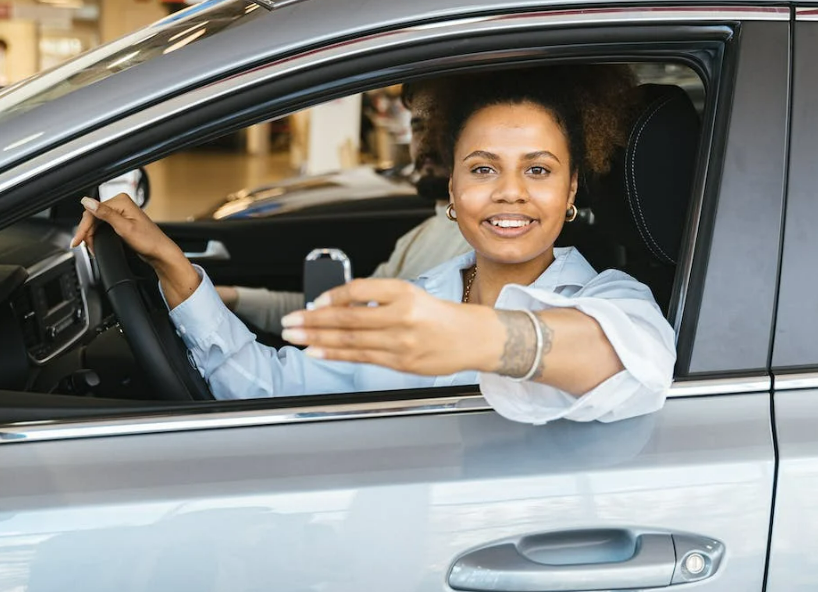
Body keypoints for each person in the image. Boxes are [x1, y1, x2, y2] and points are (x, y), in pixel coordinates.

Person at [71, 69, 675, 425]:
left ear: (571, 187)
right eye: (484, 169)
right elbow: (266, 386)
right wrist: (172, 265)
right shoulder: (421, 294)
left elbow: (635, 360)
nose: (509, 194)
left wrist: (476, 336)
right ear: (453, 186)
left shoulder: (608, 296)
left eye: (538, 171)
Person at [215, 79, 471, 335]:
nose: (426, 144)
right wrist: (233, 298)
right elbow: (343, 313)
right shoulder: (418, 237)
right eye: (418, 127)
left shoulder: (475, 246)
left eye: (443, 127)